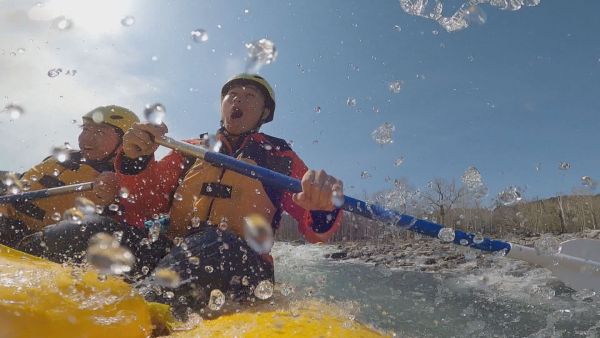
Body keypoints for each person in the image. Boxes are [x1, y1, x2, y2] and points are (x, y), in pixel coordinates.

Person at [120, 74, 345, 316]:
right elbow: (144, 201)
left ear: (264, 113)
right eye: (232, 95)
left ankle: (140, 314)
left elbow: (315, 230)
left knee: (219, 241)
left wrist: (323, 207)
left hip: (241, 262)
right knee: (113, 234)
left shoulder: (279, 158)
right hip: (175, 251)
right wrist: (136, 159)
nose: (238, 100)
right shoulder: (191, 149)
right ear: (223, 106)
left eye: (249, 96)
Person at [0, 106, 139, 248]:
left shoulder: (126, 181)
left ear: (124, 144)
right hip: (7, 225)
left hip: (47, 244)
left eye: (100, 132)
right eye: (85, 129)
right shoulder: (60, 158)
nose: (86, 138)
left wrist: (114, 196)